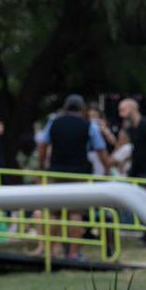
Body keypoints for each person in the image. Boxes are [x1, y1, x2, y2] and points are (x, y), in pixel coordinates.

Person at [45, 95, 107, 259]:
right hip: (79, 172)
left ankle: (50, 251)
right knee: (75, 213)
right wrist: (107, 168)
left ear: (65, 107)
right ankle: (74, 253)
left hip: (56, 170)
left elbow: (43, 143)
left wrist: (42, 163)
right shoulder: (89, 126)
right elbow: (100, 148)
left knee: (55, 214)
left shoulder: (53, 124)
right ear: (82, 109)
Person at [115, 98, 146, 245]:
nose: (120, 113)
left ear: (131, 108)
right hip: (136, 169)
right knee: (140, 203)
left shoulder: (145, 123)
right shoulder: (132, 127)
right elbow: (129, 147)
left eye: (123, 110)